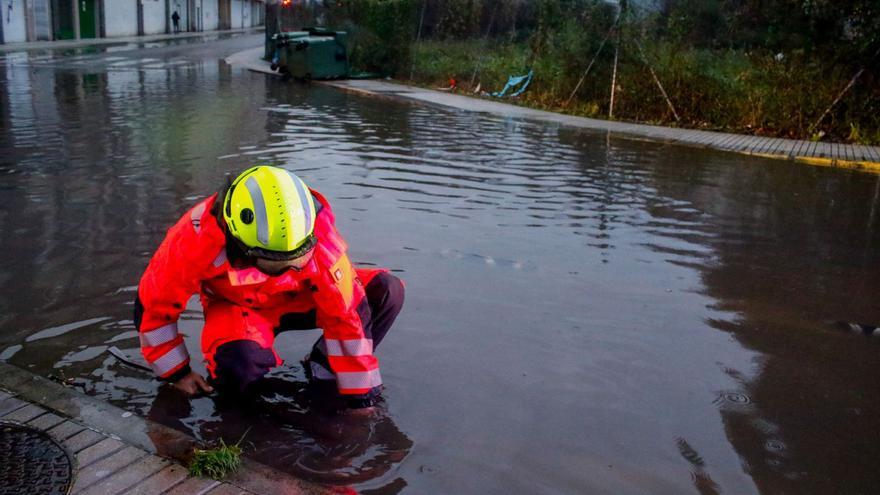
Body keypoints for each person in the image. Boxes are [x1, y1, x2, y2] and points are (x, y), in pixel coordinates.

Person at [134, 166, 405, 413]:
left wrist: (360, 399)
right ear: (241, 245)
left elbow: (347, 315)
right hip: (239, 306)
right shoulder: (191, 240)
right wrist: (177, 374)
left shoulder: (316, 232)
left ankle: (323, 369)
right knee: (238, 367)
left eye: (296, 262)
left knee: (386, 290)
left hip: (303, 298)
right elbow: (154, 307)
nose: (290, 268)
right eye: (278, 264)